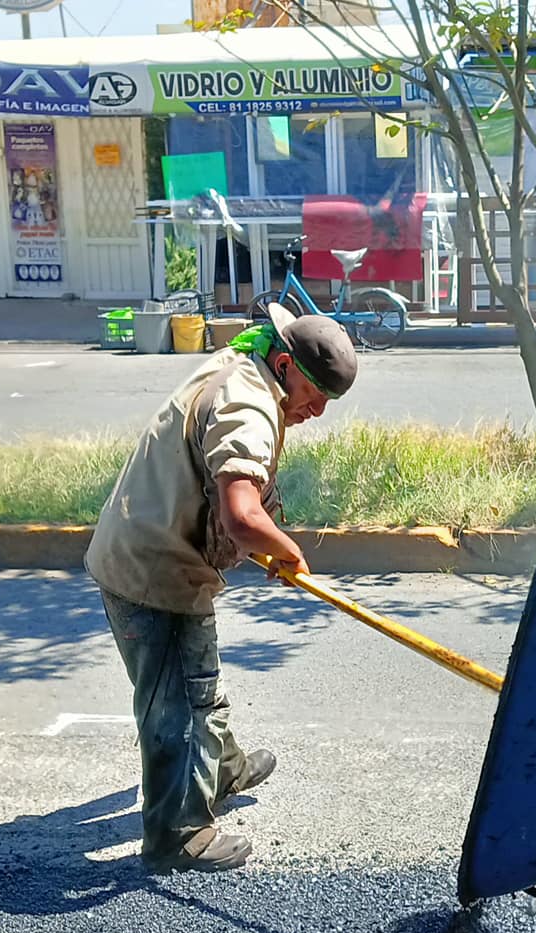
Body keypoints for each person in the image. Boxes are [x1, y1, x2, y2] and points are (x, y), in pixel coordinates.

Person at [86, 305, 358, 873]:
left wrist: (260, 542)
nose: (316, 412)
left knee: (197, 678)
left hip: (157, 547)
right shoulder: (249, 404)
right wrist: (286, 550)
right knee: (175, 707)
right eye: (314, 395)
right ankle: (176, 834)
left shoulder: (242, 364)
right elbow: (240, 513)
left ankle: (222, 767)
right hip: (152, 570)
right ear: (284, 364)